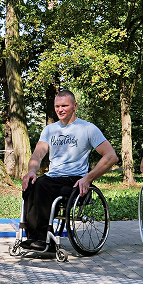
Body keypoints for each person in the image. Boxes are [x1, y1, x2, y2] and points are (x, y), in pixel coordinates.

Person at [21, 90, 118, 252]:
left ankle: (41, 238)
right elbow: (38, 154)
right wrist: (31, 171)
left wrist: (89, 178)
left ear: (74, 106)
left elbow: (111, 156)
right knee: (31, 185)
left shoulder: (88, 128)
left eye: (64, 106)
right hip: (53, 178)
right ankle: (35, 238)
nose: (60, 109)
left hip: (75, 179)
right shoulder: (49, 130)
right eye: (57, 106)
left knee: (42, 185)